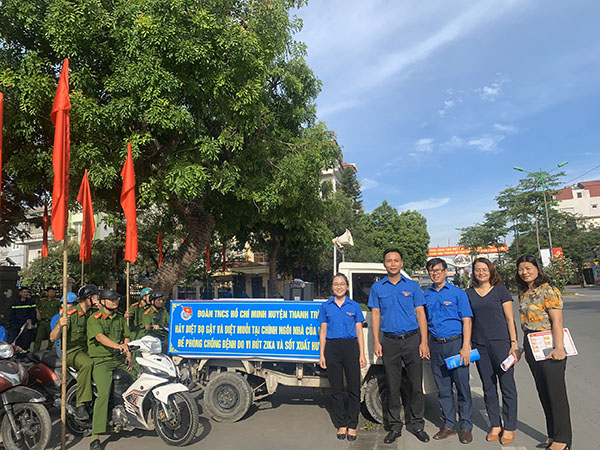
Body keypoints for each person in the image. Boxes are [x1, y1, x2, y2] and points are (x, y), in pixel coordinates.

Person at [367, 248, 430, 444]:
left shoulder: (412, 286)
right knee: (392, 386)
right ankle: (395, 426)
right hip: (390, 342)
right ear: (384, 264)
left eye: (396, 260)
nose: (393, 264)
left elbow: (420, 313)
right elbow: (375, 314)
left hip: (412, 340)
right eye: (389, 260)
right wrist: (376, 341)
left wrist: (424, 342)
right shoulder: (378, 288)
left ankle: (417, 424)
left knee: (415, 385)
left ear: (401, 263)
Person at [516, 255, 571, 450]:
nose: (525, 272)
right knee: (543, 392)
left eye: (528, 268)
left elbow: (557, 321)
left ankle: (563, 440)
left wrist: (558, 348)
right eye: (521, 269)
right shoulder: (524, 292)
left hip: (549, 343)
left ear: (537, 268)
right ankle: (552, 435)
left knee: (556, 393)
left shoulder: (548, 290)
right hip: (532, 343)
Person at [465, 258, 519, 444]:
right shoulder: (468, 293)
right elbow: (468, 320)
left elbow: (510, 319)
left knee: (507, 385)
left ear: (491, 271)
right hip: (480, 345)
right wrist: (468, 343)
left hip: (501, 343)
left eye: (484, 269)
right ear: (473, 272)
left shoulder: (501, 291)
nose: (481, 273)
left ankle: (509, 426)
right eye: (477, 270)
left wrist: (514, 343)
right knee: (488, 386)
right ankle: (495, 424)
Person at [423, 258, 473, 444]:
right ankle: (449, 425)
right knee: (443, 388)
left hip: (455, 344)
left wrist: (465, 346)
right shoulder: (426, 295)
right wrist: (425, 343)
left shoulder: (457, 293)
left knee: (462, 387)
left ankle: (466, 426)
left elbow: (467, 320)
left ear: (445, 271)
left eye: (438, 270)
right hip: (436, 345)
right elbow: (424, 322)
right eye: (431, 271)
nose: (435, 273)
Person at [318, 273, 366, 441]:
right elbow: (323, 331)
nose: (339, 287)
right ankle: (341, 424)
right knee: (336, 389)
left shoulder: (354, 306)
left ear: (347, 286)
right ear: (332, 287)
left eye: (342, 284)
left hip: (350, 347)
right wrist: (322, 354)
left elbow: (359, 331)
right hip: (332, 348)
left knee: (354, 388)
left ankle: (352, 424)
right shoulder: (326, 306)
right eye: (336, 284)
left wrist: (362, 354)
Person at [87, 289, 134, 450]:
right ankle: (95, 436)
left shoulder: (119, 318)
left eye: (117, 299)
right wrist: (117, 346)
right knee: (103, 394)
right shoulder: (94, 319)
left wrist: (128, 351)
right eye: (112, 299)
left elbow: (126, 335)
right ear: (103, 301)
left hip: (118, 359)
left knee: (137, 378)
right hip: (101, 361)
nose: (115, 301)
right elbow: (99, 337)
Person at [50, 286, 97, 421]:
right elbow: (52, 338)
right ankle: (81, 404)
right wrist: (59, 325)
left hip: (88, 350)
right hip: (71, 352)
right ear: (88, 299)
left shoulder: (92, 313)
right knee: (87, 364)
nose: (97, 299)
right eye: (95, 297)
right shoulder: (70, 315)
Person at [8, 286, 37, 351]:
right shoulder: (15, 303)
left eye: (27, 292)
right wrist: (11, 324)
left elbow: (33, 314)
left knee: (26, 339)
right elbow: (12, 314)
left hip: (26, 324)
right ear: (20, 293)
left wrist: (33, 323)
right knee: (14, 338)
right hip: (16, 324)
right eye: (24, 292)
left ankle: (25, 352)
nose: (25, 294)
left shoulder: (31, 302)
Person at [34, 286, 61, 351]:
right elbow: (36, 307)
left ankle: (49, 350)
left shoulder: (57, 301)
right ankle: (36, 351)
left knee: (51, 338)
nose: (52, 293)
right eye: (50, 292)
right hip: (43, 321)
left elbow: (61, 308)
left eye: (53, 292)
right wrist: (38, 313)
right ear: (47, 293)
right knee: (38, 337)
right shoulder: (42, 301)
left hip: (51, 321)